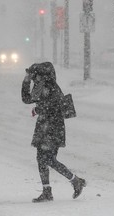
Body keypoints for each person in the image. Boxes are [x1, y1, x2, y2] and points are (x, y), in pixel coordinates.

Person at [21, 62, 86, 203]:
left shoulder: (50, 86)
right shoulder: (40, 86)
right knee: (41, 158)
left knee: (49, 159)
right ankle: (47, 191)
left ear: (41, 75)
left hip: (53, 127)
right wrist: (25, 81)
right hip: (45, 125)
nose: (32, 78)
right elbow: (26, 99)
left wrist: (38, 109)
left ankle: (75, 181)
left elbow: (52, 105)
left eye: (33, 75)